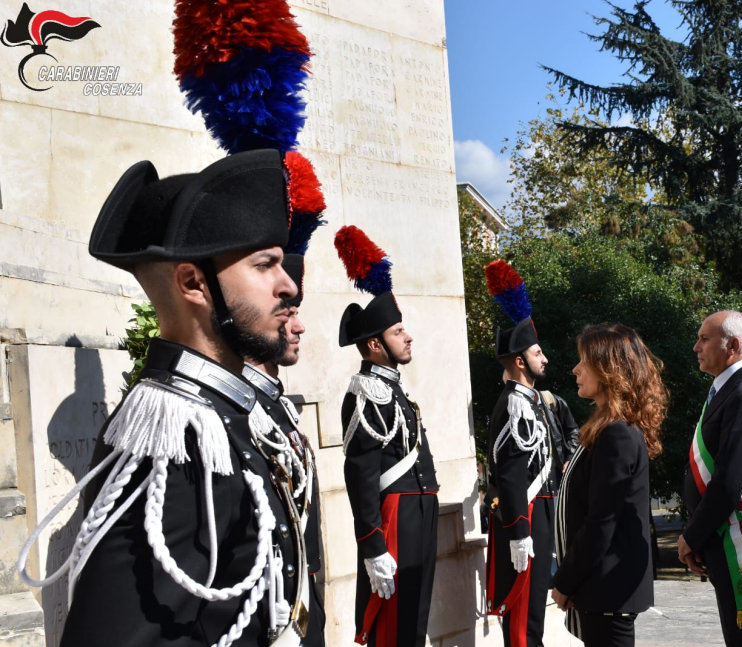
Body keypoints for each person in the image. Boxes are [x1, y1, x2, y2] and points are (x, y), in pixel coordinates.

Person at [18, 149, 326, 646]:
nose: (287, 285)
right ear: (192, 283)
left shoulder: (224, 413)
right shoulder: (175, 440)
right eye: (265, 265)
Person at [335, 225, 439, 647]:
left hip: (419, 510)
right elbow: (360, 475)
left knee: (413, 622)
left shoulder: (393, 388)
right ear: (375, 345)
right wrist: (373, 546)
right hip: (396, 515)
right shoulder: (366, 392)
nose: (408, 336)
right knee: (393, 626)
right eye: (398, 333)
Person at [551, 323, 667, 647]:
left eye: (583, 361)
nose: (575, 369)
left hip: (608, 589)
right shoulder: (608, 429)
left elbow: (601, 522)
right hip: (602, 590)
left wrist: (566, 581)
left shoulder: (616, 434)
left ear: (608, 369)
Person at [677, 311, 742, 647]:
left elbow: (729, 482)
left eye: (704, 338)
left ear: (733, 345)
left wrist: (692, 536)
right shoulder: (728, 389)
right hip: (723, 533)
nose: (696, 347)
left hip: (740, 534)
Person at [242, 253, 326, 644]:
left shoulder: (277, 407)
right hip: (270, 612)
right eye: (286, 313)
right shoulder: (242, 411)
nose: (299, 326)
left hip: (304, 598)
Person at [483, 260, 556, 647]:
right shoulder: (514, 405)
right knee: (523, 624)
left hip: (537, 514)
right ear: (519, 360)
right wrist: (520, 532)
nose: (544, 359)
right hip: (525, 518)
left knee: (534, 619)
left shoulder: (529, 402)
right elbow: (511, 474)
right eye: (537, 353)